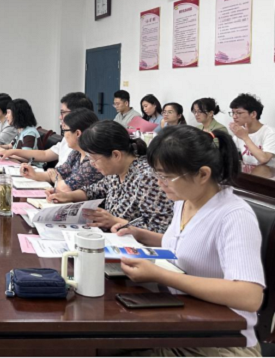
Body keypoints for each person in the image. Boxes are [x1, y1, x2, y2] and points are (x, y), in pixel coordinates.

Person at [113, 126, 264, 356]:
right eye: (157, 175)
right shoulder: (184, 200)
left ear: (203, 174)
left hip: (221, 341)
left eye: (166, 177)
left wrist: (160, 275)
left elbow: (249, 295)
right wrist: (142, 235)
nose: (160, 183)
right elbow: (189, 246)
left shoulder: (234, 216)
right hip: (182, 322)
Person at [49, 120, 173, 233]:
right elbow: (95, 190)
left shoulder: (147, 178)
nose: (92, 164)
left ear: (116, 155)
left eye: (94, 159)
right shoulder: (116, 172)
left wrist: (115, 221)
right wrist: (68, 196)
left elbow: (160, 229)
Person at [0, 92, 94, 166]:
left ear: (78, 113)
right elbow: (45, 154)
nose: (60, 117)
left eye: (63, 112)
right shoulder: (67, 139)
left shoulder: (90, 150)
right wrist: (12, 151)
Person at [20, 108, 103, 193]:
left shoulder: (92, 161)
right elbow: (56, 173)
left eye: (65, 131)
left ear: (77, 133)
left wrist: (57, 179)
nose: (64, 135)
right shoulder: (76, 153)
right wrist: (33, 174)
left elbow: (64, 188)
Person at [229, 93, 275, 167]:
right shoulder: (239, 133)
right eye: (233, 113)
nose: (234, 116)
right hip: (248, 173)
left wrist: (245, 137)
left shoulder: (270, 133)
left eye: (239, 113)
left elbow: (264, 159)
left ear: (253, 114)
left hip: (267, 173)